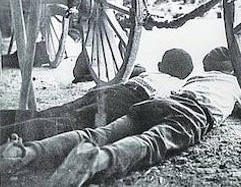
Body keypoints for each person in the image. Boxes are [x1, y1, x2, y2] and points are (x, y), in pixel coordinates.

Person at [0, 47, 241, 187]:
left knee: (97, 134)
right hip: (193, 113)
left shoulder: (194, 80)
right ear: (235, 69)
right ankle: (98, 160)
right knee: (151, 143)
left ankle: (26, 152)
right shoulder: (238, 85)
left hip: (156, 102)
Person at [0, 48, 193, 142]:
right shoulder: (176, 87)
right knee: (62, 125)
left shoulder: (149, 73)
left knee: (51, 113)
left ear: (160, 66)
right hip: (127, 101)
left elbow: (129, 70)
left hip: (110, 90)